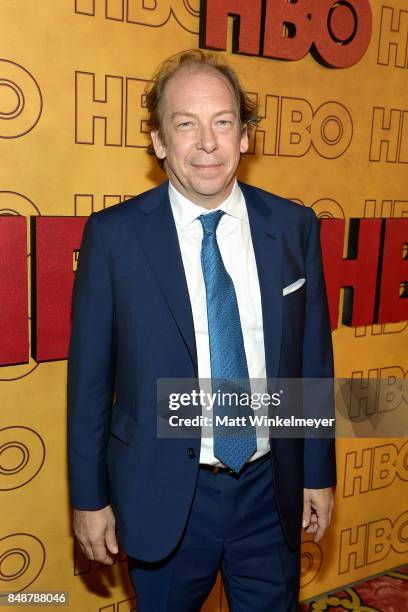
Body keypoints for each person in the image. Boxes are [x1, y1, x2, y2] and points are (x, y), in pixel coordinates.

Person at [67, 49, 336, 611]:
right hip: (164, 497)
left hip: (271, 493)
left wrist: (317, 473)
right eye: (186, 124)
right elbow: (90, 382)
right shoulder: (114, 237)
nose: (207, 143)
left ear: (244, 136)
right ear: (159, 141)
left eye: (223, 122)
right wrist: (89, 500)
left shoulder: (293, 227)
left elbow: (311, 360)